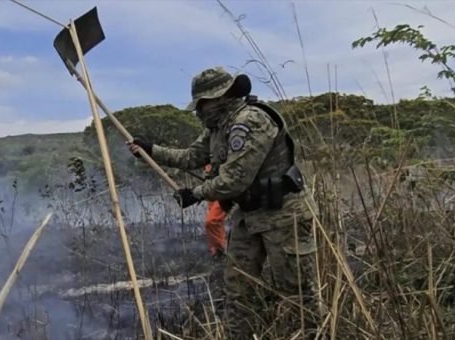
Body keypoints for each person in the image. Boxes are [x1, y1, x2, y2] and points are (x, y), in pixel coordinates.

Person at [128, 66, 315, 338]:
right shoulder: (217, 127)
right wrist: (151, 151)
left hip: (283, 216)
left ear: (221, 97)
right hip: (248, 216)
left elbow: (235, 179)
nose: (199, 112)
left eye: (202, 104)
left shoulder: (249, 122)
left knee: (298, 291)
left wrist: (197, 193)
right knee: (238, 290)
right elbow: (192, 156)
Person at [203, 164, 227, 259]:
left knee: (212, 221)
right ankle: (216, 253)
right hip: (212, 182)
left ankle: (222, 252)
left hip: (226, 184)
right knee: (216, 222)